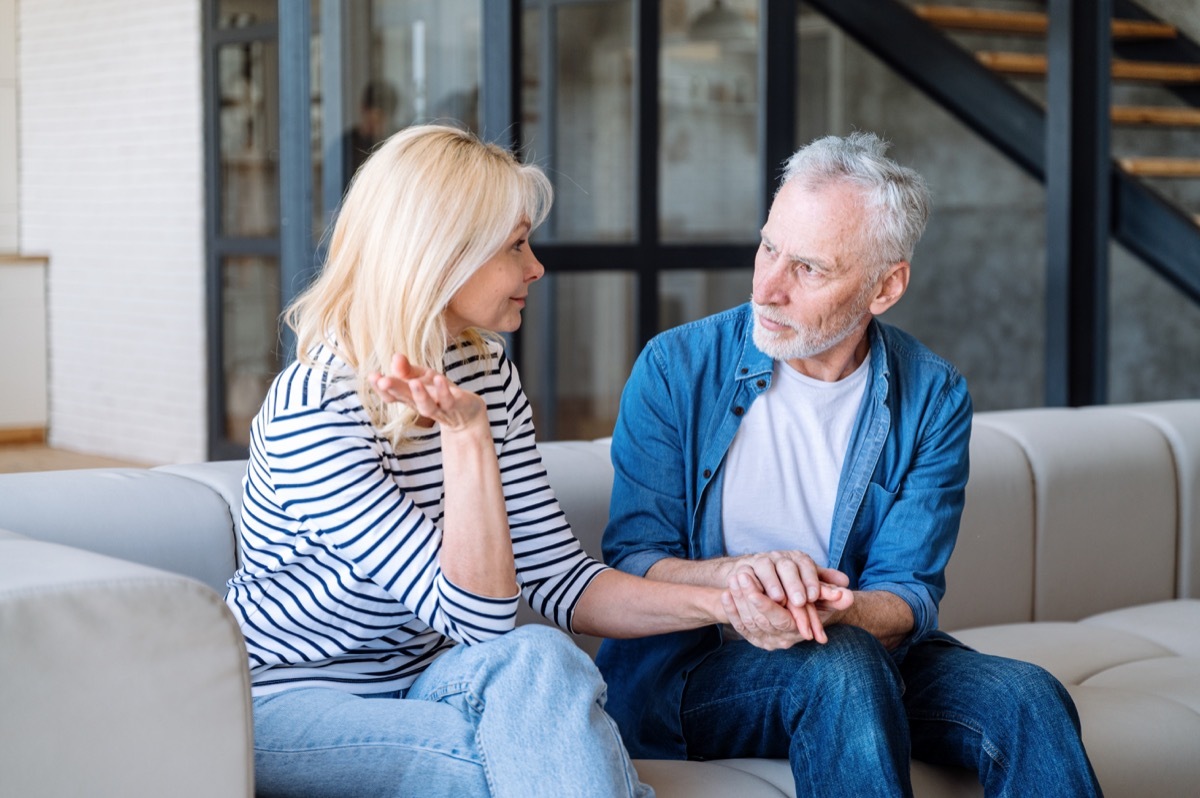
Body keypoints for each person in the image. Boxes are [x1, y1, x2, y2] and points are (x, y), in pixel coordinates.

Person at [224, 123, 822, 798]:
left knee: (540, 655)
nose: (536, 267)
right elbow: (478, 618)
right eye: (515, 246)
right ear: (442, 253)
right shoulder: (316, 408)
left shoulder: (483, 372)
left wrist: (731, 603)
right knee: (498, 766)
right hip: (283, 702)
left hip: (425, 681)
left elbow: (562, 583)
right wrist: (467, 439)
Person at [595, 132, 1102, 797]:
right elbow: (633, 559)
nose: (767, 288)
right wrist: (740, 582)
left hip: (855, 651)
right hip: (692, 675)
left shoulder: (933, 394)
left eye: (808, 268)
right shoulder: (676, 367)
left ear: (884, 287)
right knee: (842, 668)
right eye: (768, 247)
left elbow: (907, 593)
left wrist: (834, 610)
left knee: (1029, 697)